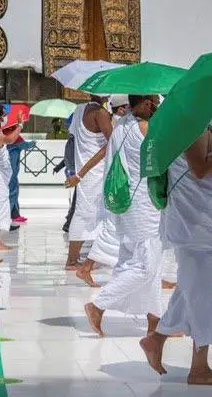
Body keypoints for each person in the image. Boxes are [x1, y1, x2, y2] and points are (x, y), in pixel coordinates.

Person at [140, 121, 212, 385]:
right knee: (206, 296)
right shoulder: (194, 127)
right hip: (196, 227)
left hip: (202, 226)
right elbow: (199, 170)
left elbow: (204, 168)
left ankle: (157, 339)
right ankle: (199, 368)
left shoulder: (204, 125)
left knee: (191, 290)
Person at [84, 95, 165, 337]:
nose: (157, 106)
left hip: (128, 201)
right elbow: (161, 157)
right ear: (146, 103)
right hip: (144, 203)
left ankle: (156, 323)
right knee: (146, 265)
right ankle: (98, 305)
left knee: (151, 263)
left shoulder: (123, 124)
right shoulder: (145, 128)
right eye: (154, 102)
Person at [77, 95, 130, 287]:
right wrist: (80, 174)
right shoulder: (121, 127)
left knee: (119, 227)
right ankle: (87, 267)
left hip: (124, 181)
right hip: (122, 182)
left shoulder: (125, 125)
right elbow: (104, 152)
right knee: (113, 226)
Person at [64, 96, 113, 269]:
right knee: (85, 214)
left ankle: (82, 257)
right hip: (94, 171)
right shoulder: (100, 113)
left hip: (83, 167)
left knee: (87, 213)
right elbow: (112, 143)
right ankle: (72, 260)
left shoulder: (79, 109)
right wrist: (81, 174)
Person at [0, 104, 23, 253]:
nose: (6, 117)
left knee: (0, 205)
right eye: (4, 114)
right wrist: (20, 125)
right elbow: (10, 140)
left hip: (1, 176)